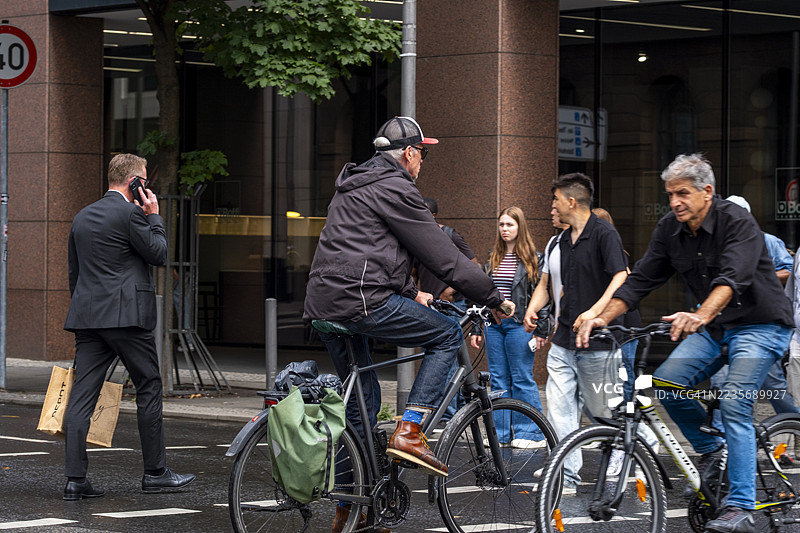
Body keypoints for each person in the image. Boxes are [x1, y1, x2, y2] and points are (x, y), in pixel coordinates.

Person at [577, 153, 793, 533]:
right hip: (716, 327)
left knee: (734, 402)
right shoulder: (669, 228)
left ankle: (740, 507)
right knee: (666, 384)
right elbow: (641, 279)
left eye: (682, 193)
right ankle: (713, 452)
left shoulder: (736, 221)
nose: (674, 201)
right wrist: (600, 316)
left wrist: (700, 315)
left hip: (761, 325)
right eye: (670, 194)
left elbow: (733, 276)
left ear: (706, 191)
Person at [303, 117, 514, 484]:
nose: (422, 162)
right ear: (409, 154)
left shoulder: (352, 186)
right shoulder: (395, 188)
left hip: (324, 301)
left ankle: (352, 504)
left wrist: (412, 293)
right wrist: (493, 297)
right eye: (423, 154)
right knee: (447, 335)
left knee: (362, 406)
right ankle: (411, 431)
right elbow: (444, 258)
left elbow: (368, 250)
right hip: (363, 300)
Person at [62, 153, 195, 501]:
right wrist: (154, 217)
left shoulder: (81, 216)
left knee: (81, 396)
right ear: (134, 182)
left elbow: (75, 273)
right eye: (145, 179)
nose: (147, 186)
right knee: (148, 385)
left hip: (89, 318)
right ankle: (155, 473)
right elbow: (159, 254)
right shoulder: (132, 213)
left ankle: (75, 480)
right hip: (127, 318)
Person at [522, 173, 631, 492]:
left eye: (555, 199)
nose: (552, 205)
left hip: (598, 342)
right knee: (560, 409)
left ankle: (634, 449)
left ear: (571, 201)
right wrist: (533, 307)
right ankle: (567, 473)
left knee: (603, 413)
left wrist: (596, 311)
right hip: (564, 340)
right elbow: (546, 284)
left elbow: (621, 277)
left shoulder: (603, 233)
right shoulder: (557, 241)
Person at [709, 195, 799, 418]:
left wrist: (757, 277)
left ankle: (793, 424)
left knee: (774, 388)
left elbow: (789, 272)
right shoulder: (715, 243)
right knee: (722, 387)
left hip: (759, 325)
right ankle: (723, 443)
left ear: (748, 216)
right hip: (726, 325)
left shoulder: (767, 240)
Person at [470, 207, 550, 448]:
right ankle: (501, 435)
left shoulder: (534, 258)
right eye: (502, 224)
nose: (505, 229)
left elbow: (543, 293)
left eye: (510, 225)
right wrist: (477, 327)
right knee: (498, 380)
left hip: (520, 326)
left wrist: (542, 328)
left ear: (520, 227)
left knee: (522, 378)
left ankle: (532, 433)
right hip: (495, 326)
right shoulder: (492, 257)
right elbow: (482, 294)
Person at [413, 196, 478, 422]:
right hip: (428, 306)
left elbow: (473, 265)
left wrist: (450, 291)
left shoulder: (450, 235)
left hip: (450, 305)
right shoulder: (417, 238)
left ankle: (445, 416)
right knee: (437, 359)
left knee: (447, 360)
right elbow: (414, 272)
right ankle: (453, 412)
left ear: (432, 216)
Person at [592, 207, 642, 403]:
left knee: (625, 372)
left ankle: (630, 412)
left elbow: (625, 281)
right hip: (613, 323)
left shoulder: (616, 254)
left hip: (626, 324)